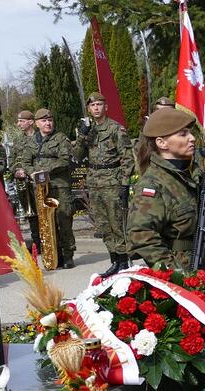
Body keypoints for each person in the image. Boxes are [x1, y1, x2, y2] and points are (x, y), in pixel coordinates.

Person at [128, 108, 202, 270]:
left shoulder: (189, 175)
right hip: (180, 272)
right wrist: (173, 273)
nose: (192, 138)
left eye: (189, 133)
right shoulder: (153, 183)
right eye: (183, 134)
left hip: (201, 262)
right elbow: (141, 236)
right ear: (161, 143)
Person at [75, 92, 135, 276]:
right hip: (94, 182)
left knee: (117, 223)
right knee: (103, 225)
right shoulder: (87, 130)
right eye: (93, 106)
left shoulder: (116, 128)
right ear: (89, 109)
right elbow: (77, 156)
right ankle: (114, 260)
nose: (96, 108)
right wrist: (82, 137)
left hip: (112, 180)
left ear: (105, 107)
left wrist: (125, 184)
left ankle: (124, 262)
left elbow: (127, 158)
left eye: (99, 105)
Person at [20, 109, 76, 268]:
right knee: (46, 221)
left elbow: (65, 160)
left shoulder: (61, 138)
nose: (48, 123)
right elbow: (25, 162)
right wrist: (32, 174)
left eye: (50, 120)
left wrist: (45, 171)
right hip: (41, 189)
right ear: (37, 123)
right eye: (44, 121)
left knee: (63, 219)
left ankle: (68, 254)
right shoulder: (32, 142)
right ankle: (54, 254)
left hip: (59, 185)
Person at [11, 110, 40, 246]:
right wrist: (16, 171)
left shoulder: (40, 137)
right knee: (31, 215)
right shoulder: (17, 140)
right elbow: (12, 160)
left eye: (21, 121)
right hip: (23, 183)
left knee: (43, 213)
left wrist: (29, 171)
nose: (18, 124)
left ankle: (50, 243)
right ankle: (36, 244)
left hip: (37, 181)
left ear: (31, 122)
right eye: (18, 121)